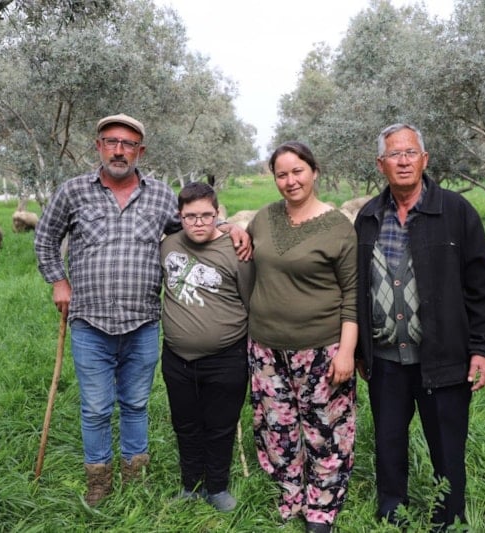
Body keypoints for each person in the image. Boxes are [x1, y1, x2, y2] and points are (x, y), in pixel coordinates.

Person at [34, 114, 250, 507]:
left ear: (140, 151)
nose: (119, 150)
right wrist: (58, 281)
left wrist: (228, 226)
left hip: (143, 322)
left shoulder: (161, 196)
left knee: (135, 404)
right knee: (95, 407)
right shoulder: (73, 191)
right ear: (98, 146)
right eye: (111, 141)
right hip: (90, 321)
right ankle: (98, 480)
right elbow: (45, 237)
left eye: (128, 144)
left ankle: (136, 475)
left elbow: (194, 221)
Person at [353, 123, 485, 530]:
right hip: (385, 360)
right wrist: (362, 349)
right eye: (394, 154)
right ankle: (392, 512)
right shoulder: (368, 217)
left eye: (410, 153)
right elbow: (357, 287)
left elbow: (482, 286)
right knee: (389, 442)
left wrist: (483, 348)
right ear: (380, 164)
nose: (403, 161)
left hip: (444, 357)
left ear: (424, 159)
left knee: (447, 445)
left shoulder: (455, 211)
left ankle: (448, 518)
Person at [247, 141, 358, 533]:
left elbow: (352, 295)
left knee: (325, 429)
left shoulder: (338, 227)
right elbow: (243, 245)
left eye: (298, 171)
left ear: (314, 172)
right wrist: (231, 229)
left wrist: (347, 352)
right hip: (265, 347)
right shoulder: (264, 218)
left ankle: (321, 508)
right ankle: (291, 493)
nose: (290, 181)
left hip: (321, 348)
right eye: (282, 174)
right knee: (277, 427)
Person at [160, 182, 254, 512]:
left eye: (206, 216)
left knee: (220, 425)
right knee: (185, 423)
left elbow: (249, 299)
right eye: (190, 216)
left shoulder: (237, 250)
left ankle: (217, 487)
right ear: (179, 216)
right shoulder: (168, 245)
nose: (198, 223)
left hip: (226, 356)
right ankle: (190, 485)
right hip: (177, 358)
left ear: (217, 214)